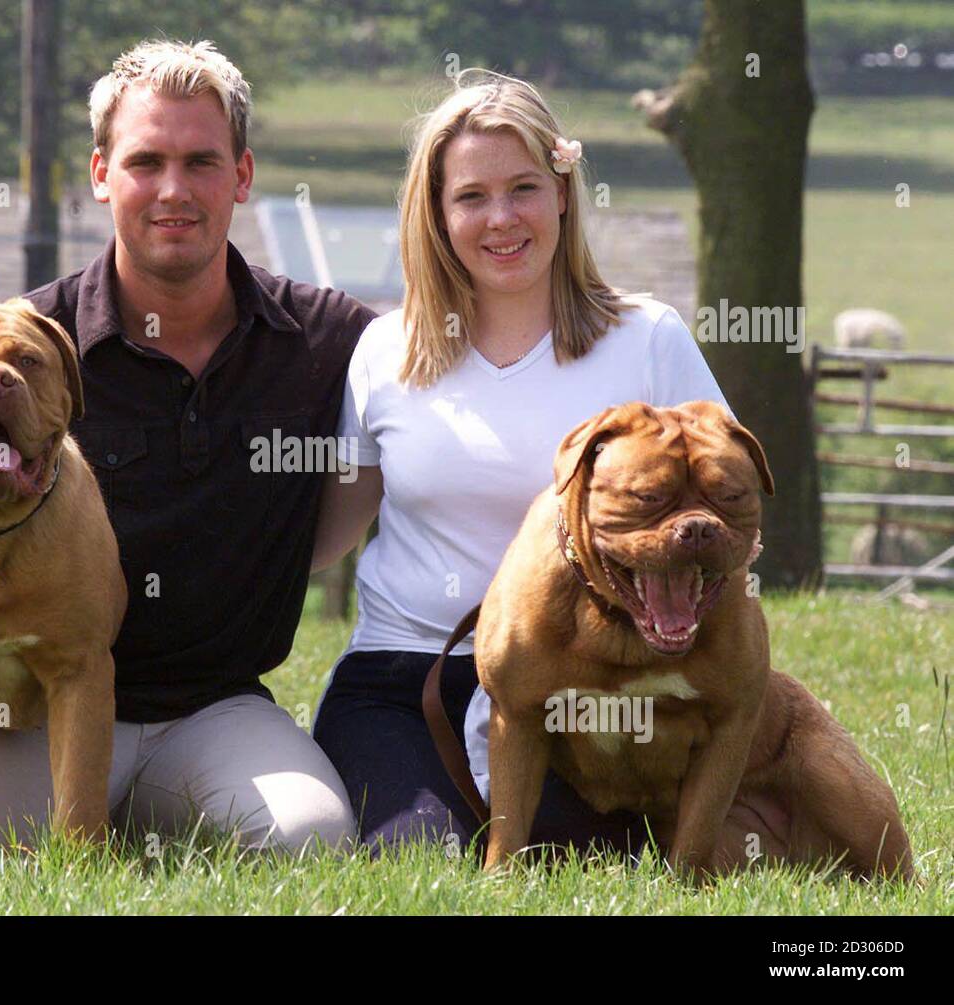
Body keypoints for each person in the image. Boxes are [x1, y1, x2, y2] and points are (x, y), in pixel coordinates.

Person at [0, 39, 373, 857]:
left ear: (242, 175)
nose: (173, 189)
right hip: (16, 716)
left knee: (310, 839)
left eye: (202, 161)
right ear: (100, 174)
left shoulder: (325, 336)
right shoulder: (10, 347)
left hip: (217, 710)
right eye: (145, 161)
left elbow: (453, 388)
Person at [310, 70, 732, 854]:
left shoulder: (650, 338)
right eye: (470, 196)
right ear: (436, 212)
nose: (500, 218)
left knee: (570, 860)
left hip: (586, 688)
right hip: (409, 678)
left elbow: (731, 510)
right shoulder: (385, 352)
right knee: (421, 853)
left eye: (523, 188)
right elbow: (319, 537)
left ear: (564, 192)